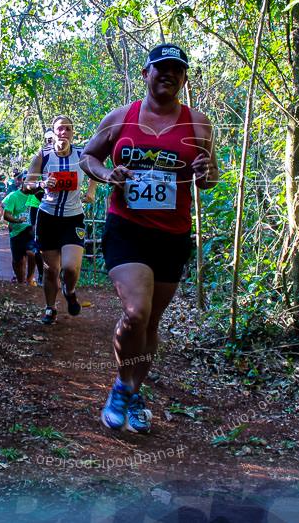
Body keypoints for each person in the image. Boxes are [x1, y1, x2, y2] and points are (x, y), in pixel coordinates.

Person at [80, 43, 218, 434]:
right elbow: (89, 157)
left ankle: (136, 391)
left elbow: (209, 179)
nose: (168, 75)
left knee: (151, 323)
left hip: (173, 235)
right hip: (127, 228)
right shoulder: (120, 118)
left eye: (177, 70)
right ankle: (122, 387)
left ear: (184, 78)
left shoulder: (198, 124)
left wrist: (206, 169)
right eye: (161, 69)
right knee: (135, 312)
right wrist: (108, 176)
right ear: (146, 73)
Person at [24, 116, 97, 324]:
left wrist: (91, 191)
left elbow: (96, 170)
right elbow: (27, 184)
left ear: (73, 133)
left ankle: (69, 290)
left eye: (68, 129)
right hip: (47, 217)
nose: (63, 132)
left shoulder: (82, 154)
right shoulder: (43, 155)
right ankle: (50, 308)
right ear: (53, 132)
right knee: (51, 270)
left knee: (71, 267)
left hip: (73, 217)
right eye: (59, 129)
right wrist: (43, 183)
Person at [1, 173, 38, 285]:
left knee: (32, 253)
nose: (31, 184)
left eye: (34, 181)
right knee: (18, 261)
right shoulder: (13, 196)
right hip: (16, 232)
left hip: (30, 232)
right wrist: (16, 220)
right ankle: (21, 282)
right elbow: (6, 214)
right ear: (22, 181)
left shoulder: (35, 196)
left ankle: (29, 278)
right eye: (29, 180)